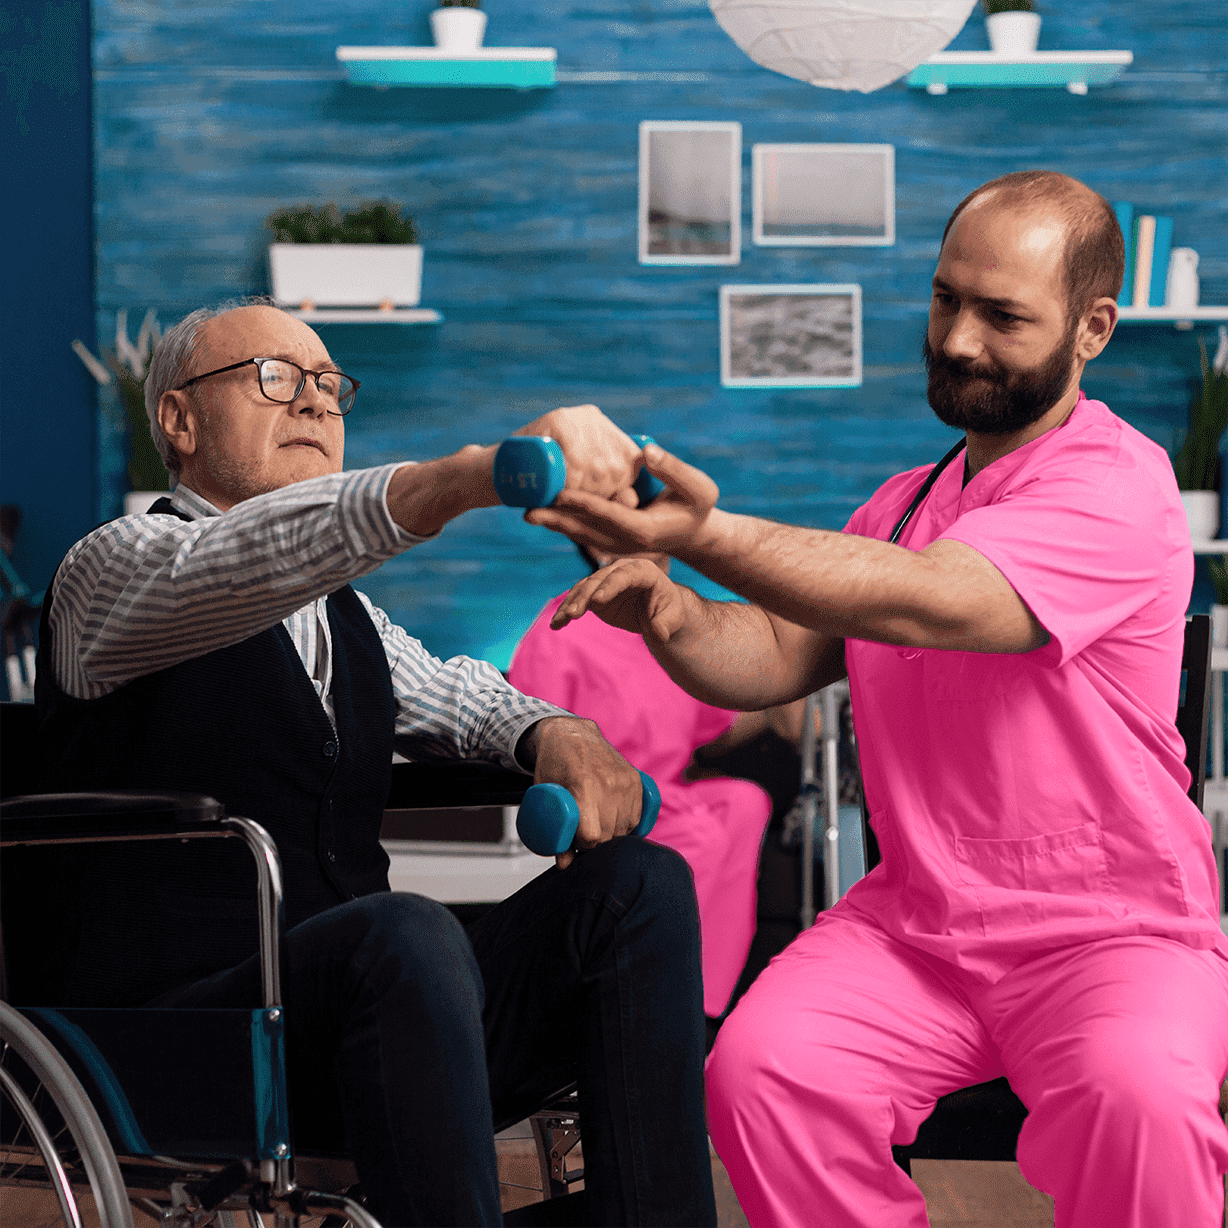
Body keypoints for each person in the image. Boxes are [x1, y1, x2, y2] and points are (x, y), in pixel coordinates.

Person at [524, 172, 1228, 1228]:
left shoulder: (1117, 485)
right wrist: (666, 608)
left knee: (1142, 1101)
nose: (957, 340)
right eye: (947, 299)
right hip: (922, 926)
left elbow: (941, 599)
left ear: (1092, 329)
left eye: (1002, 315)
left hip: (1108, 933)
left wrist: (704, 533)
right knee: (761, 1073)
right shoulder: (901, 504)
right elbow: (767, 650)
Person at [33, 301, 718, 1228]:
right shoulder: (109, 573)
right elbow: (235, 564)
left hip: (361, 1027)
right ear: (179, 422)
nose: (315, 404)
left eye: (328, 386)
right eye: (275, 378)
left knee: (638, 887)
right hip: (179, 1040)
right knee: (402, 931)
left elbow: (461, 694)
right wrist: (475, 477)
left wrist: (555, 732)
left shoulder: (345, 618)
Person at [508, 541, 785, 1021]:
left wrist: (786, 694)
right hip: (598, 804)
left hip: (665, 796)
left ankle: (702, 1007)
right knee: (698, 832)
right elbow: (531, 731)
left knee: (744, 803)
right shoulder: (562, 629)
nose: (655, 555)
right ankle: (653, 998)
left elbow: (715, 721)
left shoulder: (665, 631)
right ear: (600, 550)